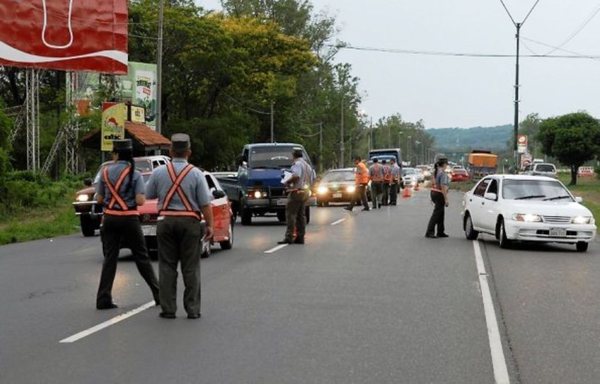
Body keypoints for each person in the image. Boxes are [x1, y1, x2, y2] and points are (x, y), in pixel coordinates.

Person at [146, 133, 214, 319]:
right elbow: (205, 204)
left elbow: (148, 194)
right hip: (190, 223)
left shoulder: (159, 172)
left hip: (165, 222)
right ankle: (192, 310)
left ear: (170, 151)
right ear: (189, 152)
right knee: (191, 267)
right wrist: (210, 225)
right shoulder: (196, 174)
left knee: (167, 266)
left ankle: (168, 309)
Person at [96, 139, 159, 310]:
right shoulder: (135, 174)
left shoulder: (105, 172)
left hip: (110, 218)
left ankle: (103, 298)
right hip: (129, 219)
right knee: (141, 256)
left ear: (116, 154)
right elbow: (140, 200)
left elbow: (99, 199)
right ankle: (158, 293)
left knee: (110, 258)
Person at [278, 149, 314, 244]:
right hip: (305, 192)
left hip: (296, 192)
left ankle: (289, 237)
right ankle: (300, 237)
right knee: (301, 215)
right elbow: (312, 178)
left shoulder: (297, 164)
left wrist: (287, 181)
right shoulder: (307, 166)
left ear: (294, 156)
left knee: (291, 214)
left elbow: (296, 176)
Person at [425, 156, 450, 238]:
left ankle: (440, 231)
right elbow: (443, 186)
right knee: (436, 214)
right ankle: (430, 232)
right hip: (439, 194)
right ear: (444, 164)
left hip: (434, 192)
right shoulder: (442, 173)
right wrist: (446, 199)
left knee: (441, 213)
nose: (447, 166)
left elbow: (433, 183)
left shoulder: (436, 172)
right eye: (446, 164)